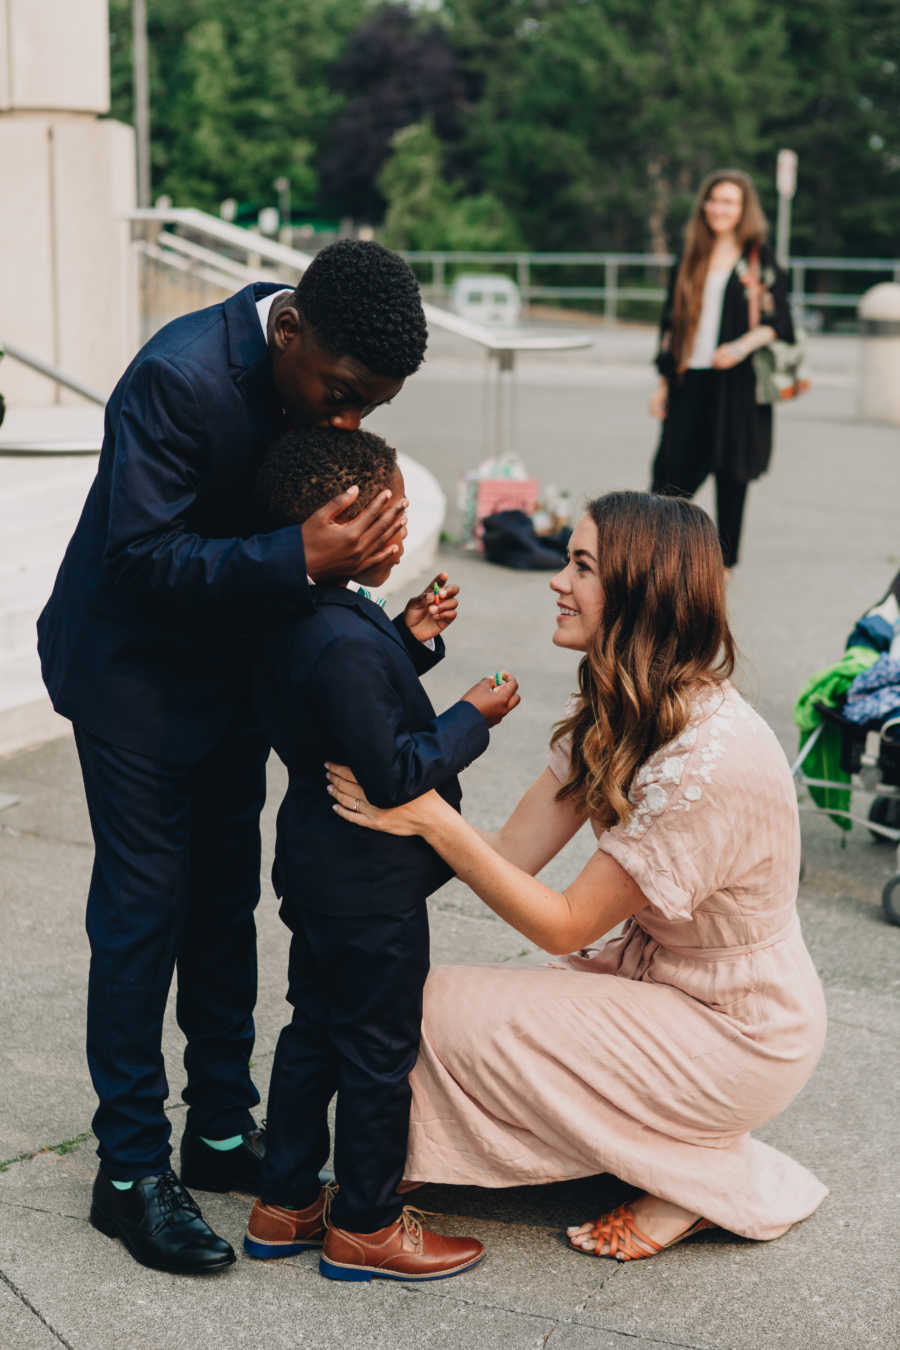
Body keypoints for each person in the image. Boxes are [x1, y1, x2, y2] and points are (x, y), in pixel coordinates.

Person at [36, 241, 430, 1275]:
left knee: (222, 903)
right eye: (341, 396)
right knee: (143, 912)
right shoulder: (177, 377)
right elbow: (137, 558)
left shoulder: (316, 382)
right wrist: (299, 556)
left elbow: (290, 528)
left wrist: (354, 563)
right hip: (130, 678)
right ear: (289, 331)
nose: (346, 422)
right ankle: (126, 1172)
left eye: (369, 410)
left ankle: (218, 1130)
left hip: (228, 676)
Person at [327, 490, 828, 1262]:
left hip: (739, 1033)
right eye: (567, 558)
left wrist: (427, 815)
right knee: (404, 998)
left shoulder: (710, 757)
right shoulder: (621, 700)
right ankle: (418, 1165)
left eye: (582, 565)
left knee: (428, 1013)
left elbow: (562, 922)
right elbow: (511, 853)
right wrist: (389, 799)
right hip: (665, 990)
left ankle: (698, 1180)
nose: (558, 580)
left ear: (641, 589)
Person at [243, 425, 520, 1281]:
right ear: (341, 523)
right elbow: (395, 769)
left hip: (318, 870)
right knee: (377, 1052)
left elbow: (343, 704)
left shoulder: (308, 612)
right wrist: (472, 715)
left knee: (314, 1031)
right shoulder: (343, 641)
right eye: (390, 520)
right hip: (369, 883)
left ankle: (284, 1204)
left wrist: (407, 632)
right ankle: (365, 1220)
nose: (402, 538)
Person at [649, 169, 795, 570]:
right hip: (688, 378)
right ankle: (653, 556)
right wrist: (662, 383)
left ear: (744, 209)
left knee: (732, 476)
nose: (719, 208)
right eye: (713, 200)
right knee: (668, 475)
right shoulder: (691, 256)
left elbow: (781, 322)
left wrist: (740, 346)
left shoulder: (757, 260)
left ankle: (724, 566)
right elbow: (669, 323)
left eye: (729, 202)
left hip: (737, 384)